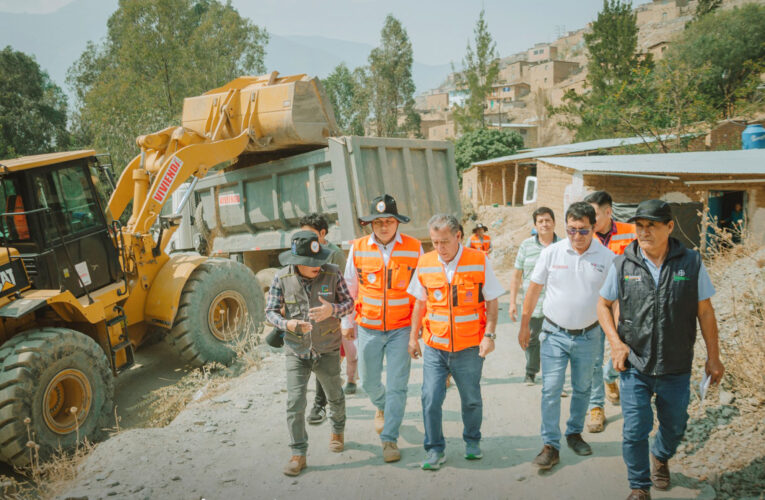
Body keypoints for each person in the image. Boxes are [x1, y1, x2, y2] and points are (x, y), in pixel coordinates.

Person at [597, 199, 724, 500]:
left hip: (676, 365)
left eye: (652, 226)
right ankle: (639, 486)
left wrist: (714, 356)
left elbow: (705, 312)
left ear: (669, 227)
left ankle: (661, 455)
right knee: (635, 429)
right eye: (640, 226)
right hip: (635, 365)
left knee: (676, 425)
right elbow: (602, 305)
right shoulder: (623, 263)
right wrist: (616, 343)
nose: (644, 232)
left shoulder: (691, 263)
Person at [518, 201, 615, 471]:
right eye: (571, 230)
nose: (577, 237)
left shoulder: (606, 258)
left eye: (583, 231)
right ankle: (550, 445)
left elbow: (613, 300)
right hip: (554, 334)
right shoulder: (552, 253)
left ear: (594, 228)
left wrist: (617, 337)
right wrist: (525, 324)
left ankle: (573, 433)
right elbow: (534, 288)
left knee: (583, 388)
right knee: (550, 389)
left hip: (589, 335)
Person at [408, 214, 504, 470]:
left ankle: (472, 441)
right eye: (435, 242)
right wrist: (412, 338)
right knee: (430, 397)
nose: (439, 248)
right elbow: (419, 302)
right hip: (435, 347)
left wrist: (490, 335)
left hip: (469, 347)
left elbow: (492, 300)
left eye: (445, 242)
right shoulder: (425, 262)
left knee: (471, 398)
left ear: (458, 236)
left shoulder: (478, 260)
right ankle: (434, 449)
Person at [265, 231, 355, 476]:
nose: (317, 267)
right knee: (295, 402)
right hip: (296, 350)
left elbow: (349, 304)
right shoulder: (281, 278)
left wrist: (332, 310)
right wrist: (286, 325)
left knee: (334, 395)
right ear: (296, 263)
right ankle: (298, 453)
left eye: (319, 260)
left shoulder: (333, 273)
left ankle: (337, 430)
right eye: (311, 263)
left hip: (327, 347)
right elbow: (270, 311)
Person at [342, 194, 423, 463]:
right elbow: (349, 287)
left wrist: (417, 329)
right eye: (378, 222)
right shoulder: (359, 247)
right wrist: (346, 322)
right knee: (368, 381)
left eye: (389, 221)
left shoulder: (414, 248)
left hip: (401, 328)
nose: (384, 227)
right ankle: (383, 406)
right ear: (371, 224)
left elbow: (423, 289)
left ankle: (389, 439)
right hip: (368, 327)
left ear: (397, 223)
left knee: (398, 386)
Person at [584, 190, 637, 433]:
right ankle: (596, 407)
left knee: (623, 349)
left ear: (608, 212)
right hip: (595, 306)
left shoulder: (632, 232)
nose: (590, 220)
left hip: (627, 305)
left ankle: (610, 377)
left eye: (594, 215)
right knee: (594, 358)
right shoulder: (585, 237)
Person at [299, 213, 358, 428]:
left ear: (323, 233)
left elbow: (344, 292)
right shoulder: (300, 252)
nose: (306, 238)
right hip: (308, 321)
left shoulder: (334, 256)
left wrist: (343, 321)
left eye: (311, 234)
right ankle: (325, 402)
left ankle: (322, 405)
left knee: (326, 363)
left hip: (330, 320)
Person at [509, 207, 558, 386]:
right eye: (540, 221)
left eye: (547, 220)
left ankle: (552, 378)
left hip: (556, 305)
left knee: (554, 343)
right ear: (535, 225)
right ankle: (530, 372)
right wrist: (512, 302)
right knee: (531, 340)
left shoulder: (563, 246)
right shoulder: (526, 245)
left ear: (554, 222)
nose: (544, 224)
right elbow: (516, 276)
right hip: (533, 306)